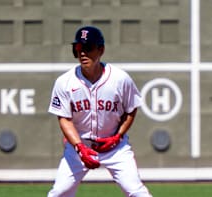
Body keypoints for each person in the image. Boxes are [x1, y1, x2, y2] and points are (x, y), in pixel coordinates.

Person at [47, 26, 152, 197]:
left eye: (88, 48)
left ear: (101, 50)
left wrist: (118, 136)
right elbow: (64, 119)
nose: (82, 53)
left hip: (115, 148)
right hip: (79, 148)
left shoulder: (120, 79)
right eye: (78, 48)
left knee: (137, 192)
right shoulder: (64, 82)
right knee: (59, 193)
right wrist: (80, 148)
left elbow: (131, 110)